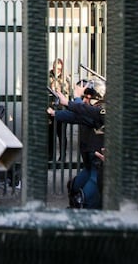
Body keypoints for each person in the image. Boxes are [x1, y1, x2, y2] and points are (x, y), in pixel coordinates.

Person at [47, 78, 105, 209]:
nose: (84, 101)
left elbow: (85, 112)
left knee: (85, 200)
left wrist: (73, 100)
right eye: (84, 98)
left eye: (87, 97)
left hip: (99, 166)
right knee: (73, 187)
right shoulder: (89, 111)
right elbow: (77, 116)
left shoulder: (102, 110)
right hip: (89, 164)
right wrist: (55, 113)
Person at [48, 58, 69, 162]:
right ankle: (50, 156)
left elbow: (69, 93)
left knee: (62, 135)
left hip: (61, 110)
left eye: (60, 69)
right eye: (56, 68)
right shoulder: (47, 77)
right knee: (50, 134)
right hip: (49, 109)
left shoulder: (65, 78)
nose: (58, 71)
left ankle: (62, 157)